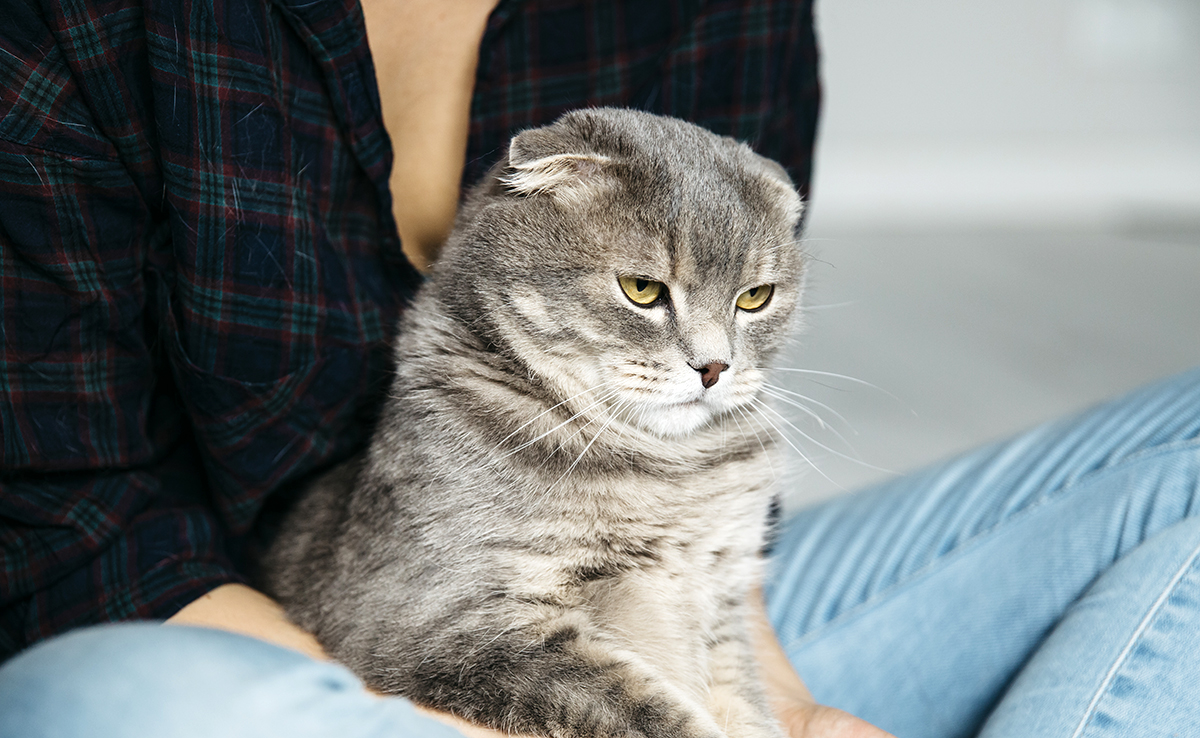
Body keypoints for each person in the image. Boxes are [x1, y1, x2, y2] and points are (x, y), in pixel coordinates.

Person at [0, 1, 1196, 737]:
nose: (718, 360)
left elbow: (742, 267)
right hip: (290, 660)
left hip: (677, 638)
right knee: (105, 705)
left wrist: (783, 706)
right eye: (643, 293)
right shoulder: (82, 26)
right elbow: (71, 539)